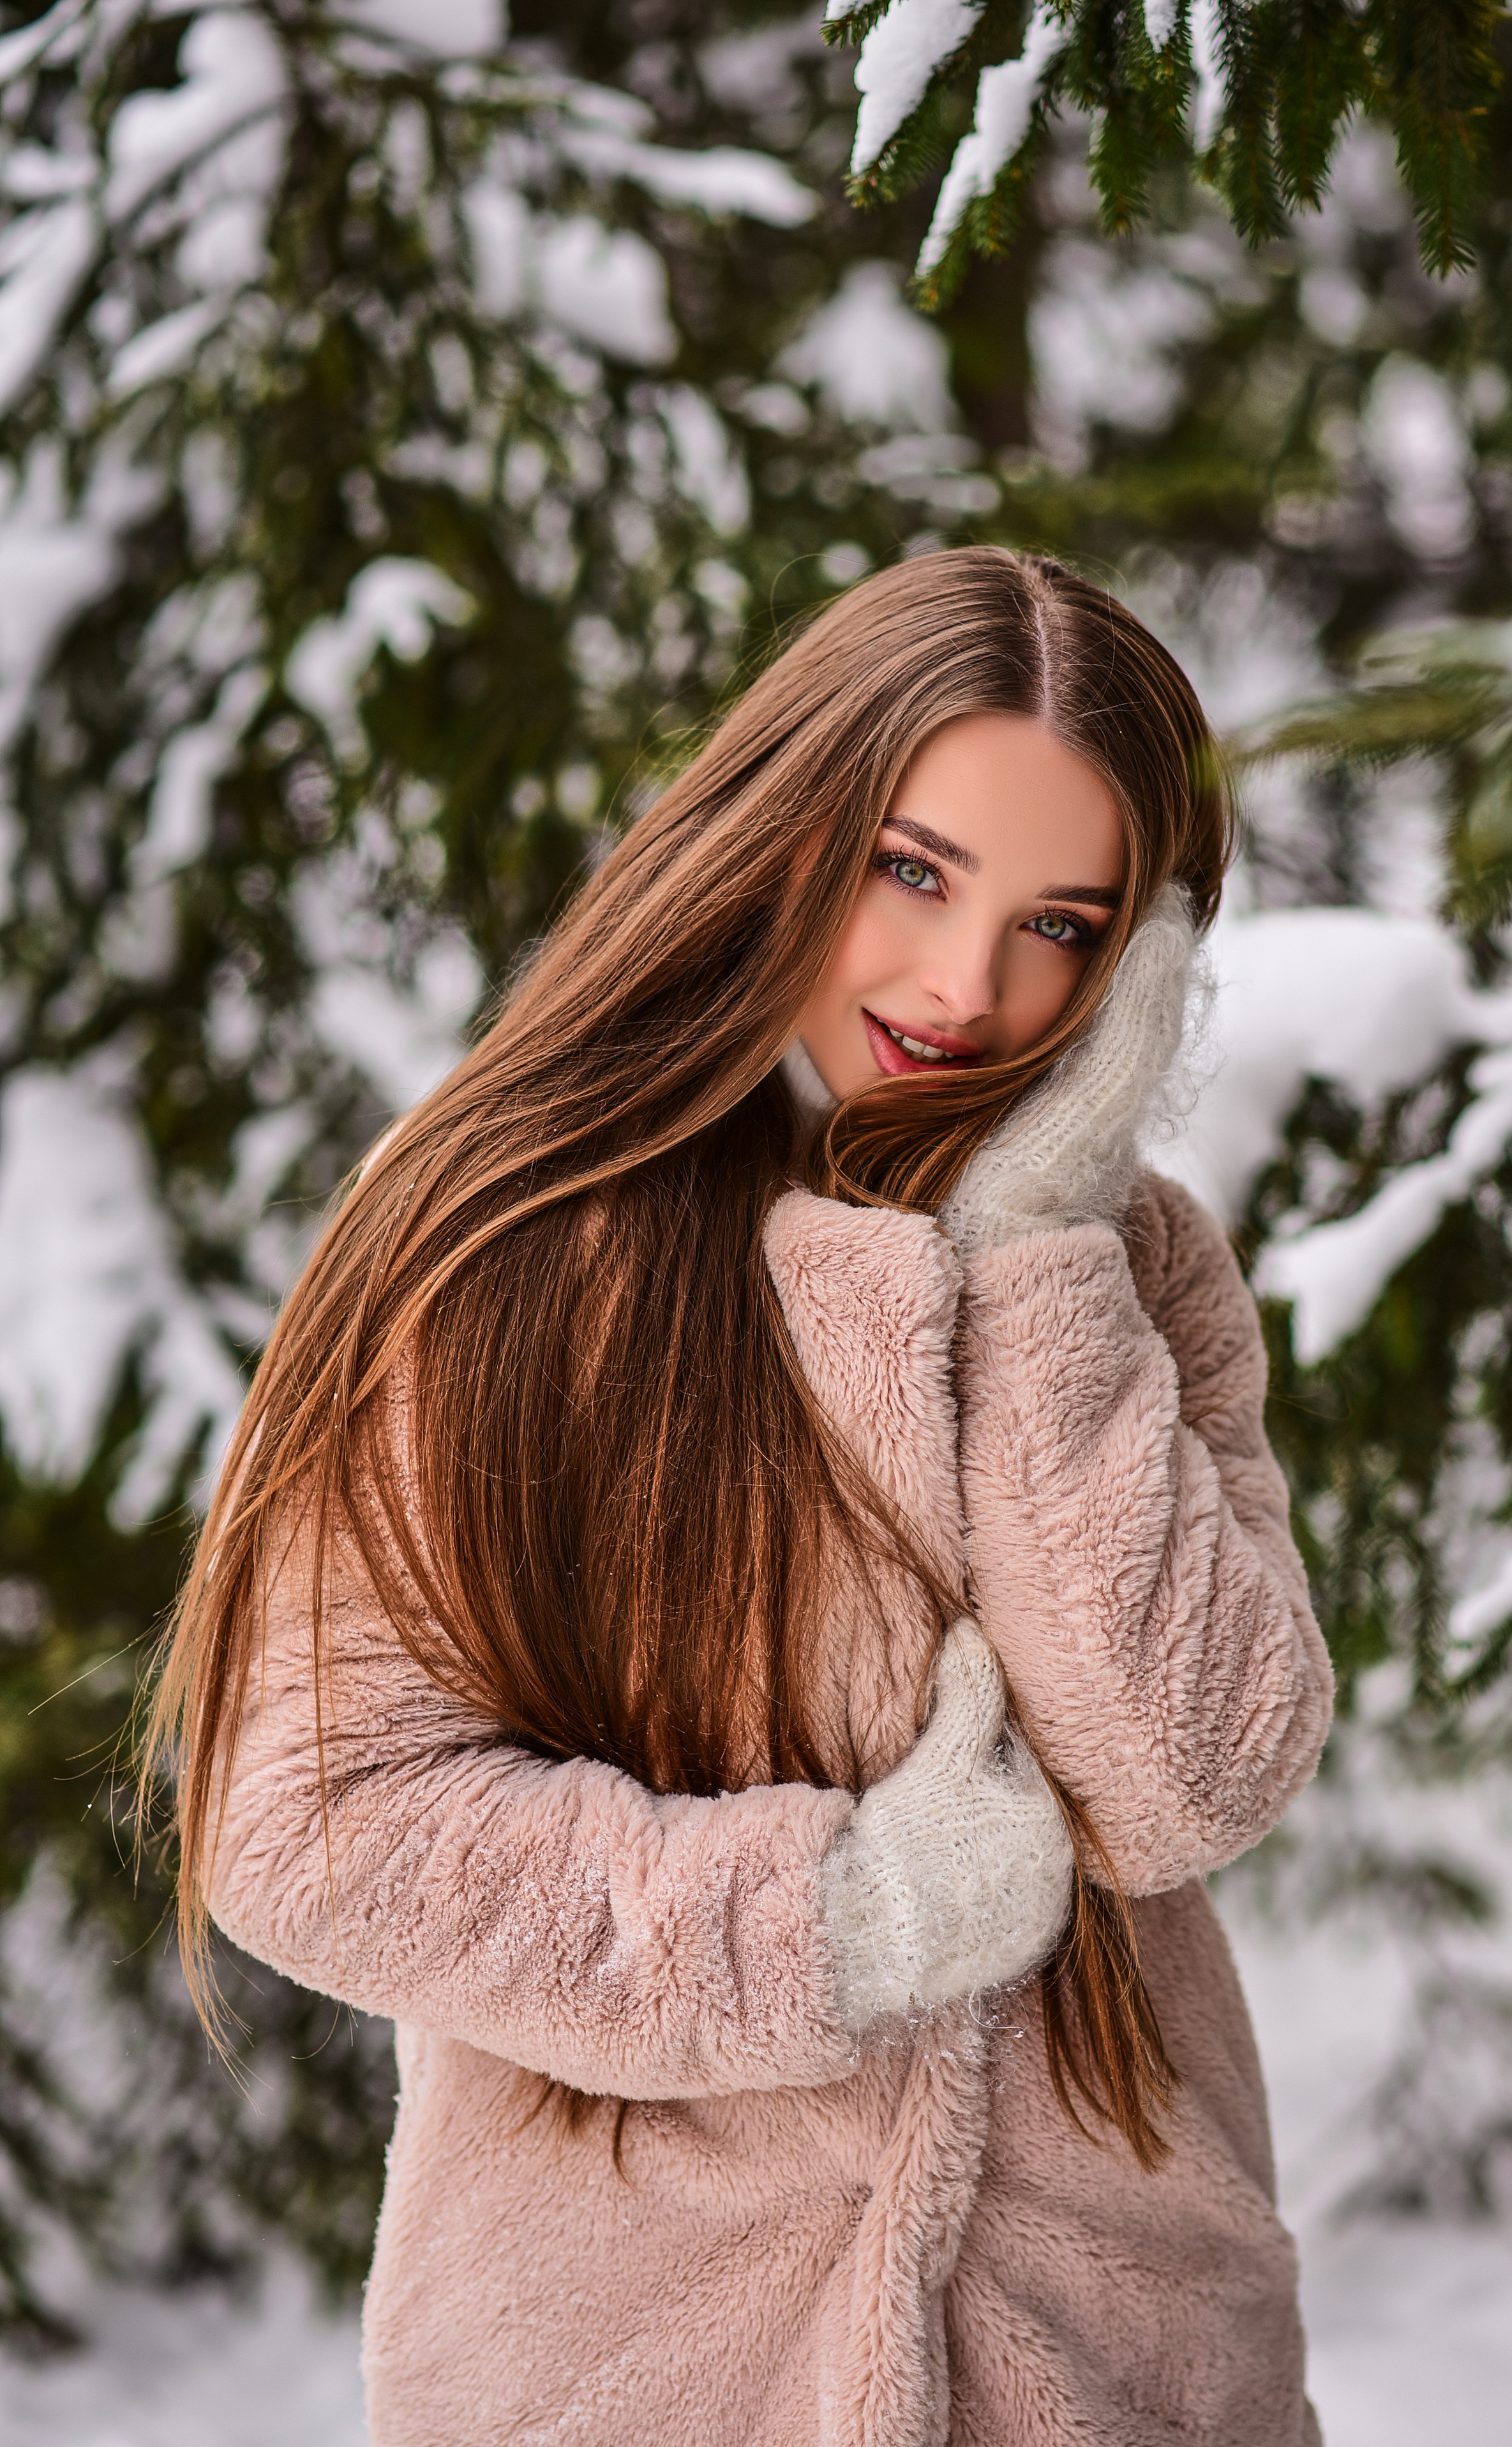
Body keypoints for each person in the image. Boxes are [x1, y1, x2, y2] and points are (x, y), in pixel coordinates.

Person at [151, 547, 1333, 2446]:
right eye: (916, 870)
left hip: (1125, 2378)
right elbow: (310, 1819)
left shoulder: (1132, 1272)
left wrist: (1034, 1252)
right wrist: (830, 1923)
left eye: (1067, 922)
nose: (967, 983)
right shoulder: (520, 1247)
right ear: (793, 826)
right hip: (628, 2374)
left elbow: (1189, 1772)